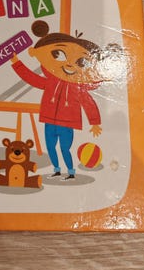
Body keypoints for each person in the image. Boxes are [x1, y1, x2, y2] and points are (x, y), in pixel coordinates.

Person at [11, 20, 106, 181]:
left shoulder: (77, 87)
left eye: (80, 62)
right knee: (50, 147)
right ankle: (56, 169)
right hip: (49, 121)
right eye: (60, 55)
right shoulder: (51, 81)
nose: (69, 64)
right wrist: (17, 63)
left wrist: (95, 122)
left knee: (64, 149)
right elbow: (32, 78)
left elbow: (88, 103)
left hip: (67, 123)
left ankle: (70, 172)